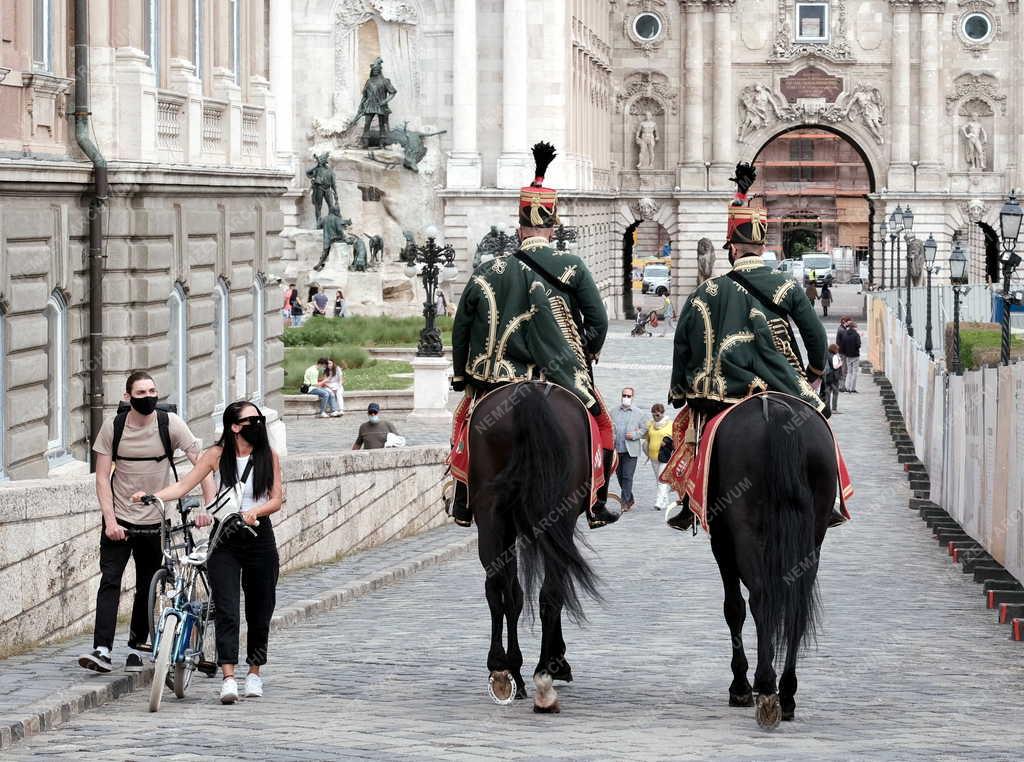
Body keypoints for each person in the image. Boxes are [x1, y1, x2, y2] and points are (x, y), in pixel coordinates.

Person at [448, 141, 617, 531]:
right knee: (601, 425)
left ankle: (463, 497)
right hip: (561, 376)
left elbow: (461, 327)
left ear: (519, 226)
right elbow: (599, 320)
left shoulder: (489, 270)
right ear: (553, 226)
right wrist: (582, 354)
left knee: (465, 425)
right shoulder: (571, 264)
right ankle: (597, 500)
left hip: (497, 379)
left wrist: (463, 375)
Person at [668, 161, 841, 530]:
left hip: (721, 394)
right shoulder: (787, 286)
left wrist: (682, 391)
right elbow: (817, 338)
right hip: (783, 383)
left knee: (694, 434)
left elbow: (682, 345)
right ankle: (834, 497)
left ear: (731, 250)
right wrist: (813, 374)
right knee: (820, 426)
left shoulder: (705, 293)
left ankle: (687, 502)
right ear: (762, 248)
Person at [133, 401, 283, 705]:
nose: (257, 424)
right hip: (224, 539)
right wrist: (152, 496)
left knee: (260, 608)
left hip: (258, 536)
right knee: (226, 608)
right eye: (251, 420)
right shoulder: (215, 456)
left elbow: (277, 498)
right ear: (234, 427)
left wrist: (255, 512)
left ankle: (254, 672)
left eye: (259, 419)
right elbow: (183, 485)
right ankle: (228, 677)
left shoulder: (269, 456)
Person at [78, 372, 216, 674]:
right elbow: (102, 478)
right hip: (120, 519)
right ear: (128, 397)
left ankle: (137, 644)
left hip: (156, 519)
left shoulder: (170, 425)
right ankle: (101, 648)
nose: (148, 396)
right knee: (110, 580)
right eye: (141, 392)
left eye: (152, 390)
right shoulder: (113, 427)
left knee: (147, 586)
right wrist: (110, 521)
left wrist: (208, 507)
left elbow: (203, 464)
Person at [611, 387, 647, 512]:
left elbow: (644, 430)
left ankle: (625, 502)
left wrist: (635, 435)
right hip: (617, 449)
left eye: (629, 396)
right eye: (624, 395)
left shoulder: (639, 413)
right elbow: (610, 427)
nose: (626, 397)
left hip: (631, 450)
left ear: (633, 397)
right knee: (620, 476)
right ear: (621, 396)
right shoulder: (613, 412)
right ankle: (630, 498)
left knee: (627, 476)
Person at [643, 403, 674, 511]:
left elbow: (676, 440)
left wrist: (667, 444)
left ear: (663, 413)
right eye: (654, 414)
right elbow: (646, 437)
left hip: (665, 456)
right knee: (659, 480)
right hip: (653, 456)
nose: (656, 415)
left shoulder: (670, 424)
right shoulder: (650, 424)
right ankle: (665, 500)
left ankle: (659, 502)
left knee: (661, 479)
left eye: (658, 414)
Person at [839, 320, 861, 393]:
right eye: (856, 327)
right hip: (855, 355)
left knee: (849, 372)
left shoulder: (845, 334)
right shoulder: (856, 335)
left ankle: (847, 387)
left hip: (848, 356)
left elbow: (842, 346)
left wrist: (846, 353)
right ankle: (852, 388)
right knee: (854, 372)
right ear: (854, 327)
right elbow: (858, 345)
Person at [821, 343, 843, 415]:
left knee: (827, 393)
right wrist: (840, 363)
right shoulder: (834, 356)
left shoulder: (826, 355)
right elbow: (835, 366)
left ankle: (826, 409)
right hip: (833, 377)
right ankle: (834, 409)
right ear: (834, 349)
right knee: (835, 393)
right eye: (837, 349)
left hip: (826, 377)